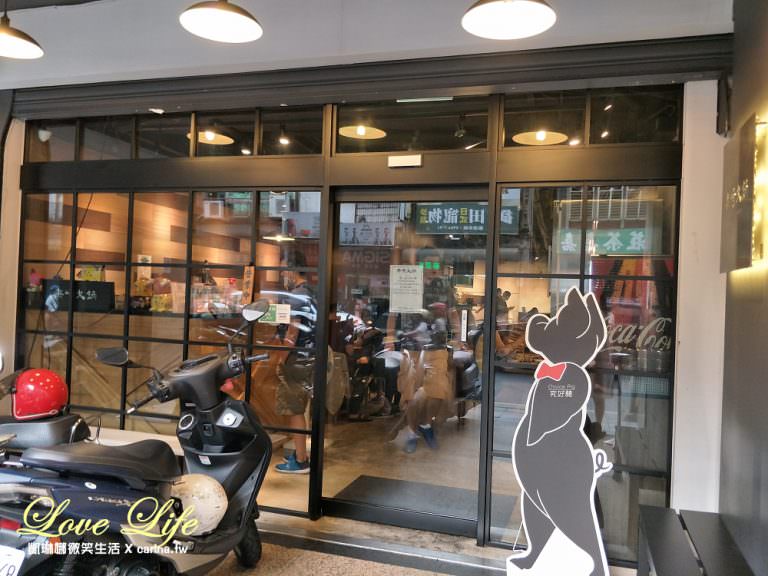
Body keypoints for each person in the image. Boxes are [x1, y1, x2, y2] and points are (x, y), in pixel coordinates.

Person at [274, 253, 317, 474]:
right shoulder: (311, 292)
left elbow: (293, 331)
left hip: (297, 358)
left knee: (295, 409)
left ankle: (301, 460)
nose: (282, 274)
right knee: (299, 408)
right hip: (309, 356)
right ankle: (301, 455)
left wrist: (281, 358)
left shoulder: (297, 295)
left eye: (284, 270)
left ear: (293, 270)